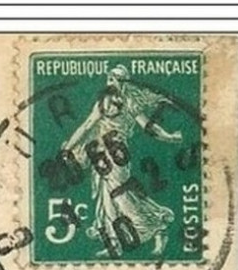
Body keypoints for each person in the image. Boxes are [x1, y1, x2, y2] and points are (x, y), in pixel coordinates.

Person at [61, 64, 184, 258]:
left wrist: (168, 137)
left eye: (116, 78)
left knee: (121, 197)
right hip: (101, 156)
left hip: (116, 157)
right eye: (110, 78)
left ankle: (158, 227)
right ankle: (113, 244)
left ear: (124, 82)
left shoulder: (127, 102)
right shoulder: (106, 101)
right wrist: (69, 147)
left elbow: (148, 127)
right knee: (106, 199)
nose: (111, 81)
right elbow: (87, 126)